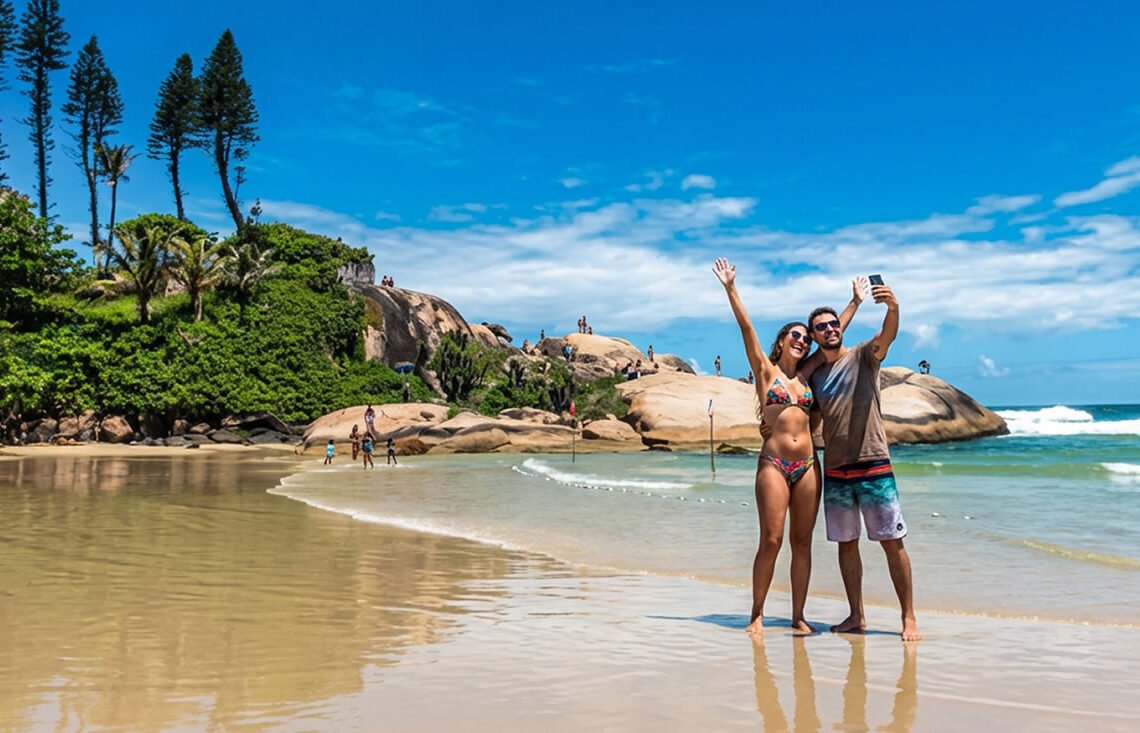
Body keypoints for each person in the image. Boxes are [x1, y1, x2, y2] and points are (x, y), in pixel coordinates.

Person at [714, 258, 862, 636]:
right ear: (781, 342)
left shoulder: (808, 374)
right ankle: (757, 613)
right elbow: (746, 328)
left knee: (802, 542)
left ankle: (798, 615)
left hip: (809, 465)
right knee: (772, 539)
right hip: (774, 464)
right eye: (795, 335)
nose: (802, 340)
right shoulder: (766, 371)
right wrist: (731, 288)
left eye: (805, 337)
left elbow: (834, 332)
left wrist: (855, 303)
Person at [808, 278, 921, 642]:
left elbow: (885, 337)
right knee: (846, 545)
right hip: (837, 470)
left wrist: (893, 308)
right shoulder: (816, 375)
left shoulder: (862, 355)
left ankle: (909, 617)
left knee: (891, 541)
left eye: (833, 324)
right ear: (814, 336)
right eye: (821, 327)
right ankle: (856, 615)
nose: (829, 330)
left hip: (874, 464)